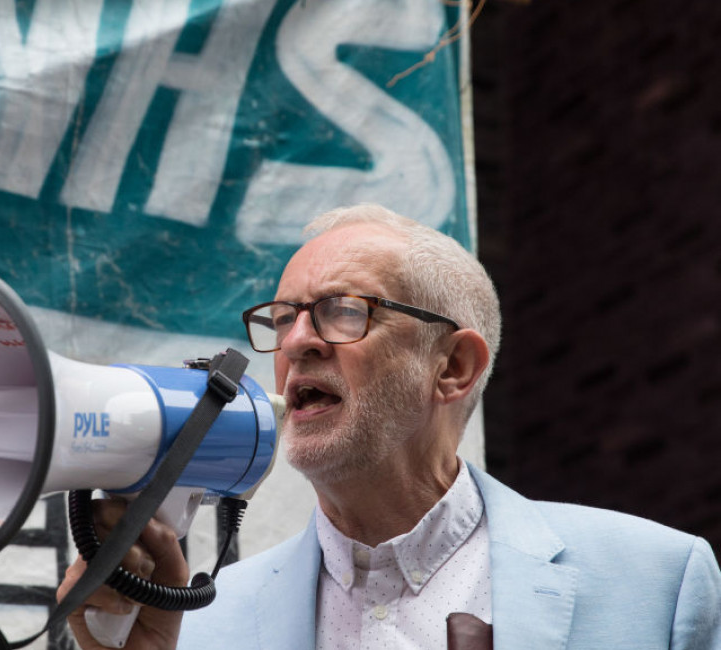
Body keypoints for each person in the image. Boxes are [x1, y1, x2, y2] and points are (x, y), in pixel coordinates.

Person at [57, 203, 721, 649]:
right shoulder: (197, 623)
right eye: (283, 318)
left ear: (453, 366)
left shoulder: (652, 580)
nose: (297, 343)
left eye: (342, 311)